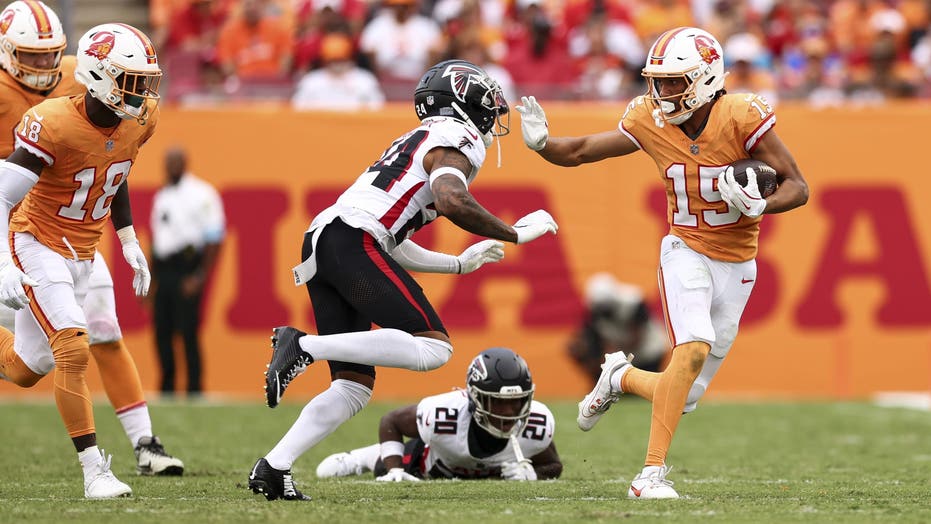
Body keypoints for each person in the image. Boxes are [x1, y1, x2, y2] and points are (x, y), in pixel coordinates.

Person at [516, 26, 809, 499]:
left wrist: (760, 206)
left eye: (677, 80)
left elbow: (798, 186)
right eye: (661, 80)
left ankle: (619, 376)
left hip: (739, 264)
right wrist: (543, 145)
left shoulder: (741, 115)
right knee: (690, 349)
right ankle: (649, 475)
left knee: (686, 393)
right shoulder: (650, 118)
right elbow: (582, 151)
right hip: (686, 249)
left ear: (709, 76)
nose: (666, 90)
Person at [247, 58, 558, 501]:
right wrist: (514, 233)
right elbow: (451, 200)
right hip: (351, 239)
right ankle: (303, 346)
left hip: (329, 238)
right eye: (486, 97)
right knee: (434, 346)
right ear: (461, 99)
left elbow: (391, 241)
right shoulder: (460, 137)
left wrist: (458, 265)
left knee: (353, 387)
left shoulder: (421, 138)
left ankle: (274, 468)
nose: (493, 107)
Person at [0, 2, 184, 478]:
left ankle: (145, 443)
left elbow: (111, 167)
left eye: (50, 56)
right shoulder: (53, 119)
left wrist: (128, 240)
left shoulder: (130, 109)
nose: (43, 66)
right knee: (73, 345)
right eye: (30, 56)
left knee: (36, 363)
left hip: (83, 235)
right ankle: (95, 469)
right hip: (28, 230)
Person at [316, 347, 562, 481]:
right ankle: (368, 456)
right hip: (425, 463)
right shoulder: (444, 415)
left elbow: (553, 465)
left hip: (460, 468)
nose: (509, 412)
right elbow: (391, 420)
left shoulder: (535, 425)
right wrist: (394, 471)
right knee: (329, 471)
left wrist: (534, 473)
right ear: (475, 397)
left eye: (516, 402)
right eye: (497, 403)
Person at [150, 145, 225, 397]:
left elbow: (214, 237)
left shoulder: (202, 193)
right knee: (162, 330)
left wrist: (200, 276)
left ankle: (194, 389)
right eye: (167, 161)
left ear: (185, 163)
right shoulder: (162, 195)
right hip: (164, 268)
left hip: (188, 265)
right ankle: (167, 388)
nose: (170, 166)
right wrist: (149, 277)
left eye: (175, 161)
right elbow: (157, 238)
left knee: (188, 331)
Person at [567, 273, 668, 386]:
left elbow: (637, 338)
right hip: (621, 356)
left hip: (647, 353)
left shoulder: (634, 302)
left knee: (645, 388)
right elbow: (587, 340)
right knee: (576, 348)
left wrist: (613, 356)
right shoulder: (593, 313)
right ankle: (600, 387)